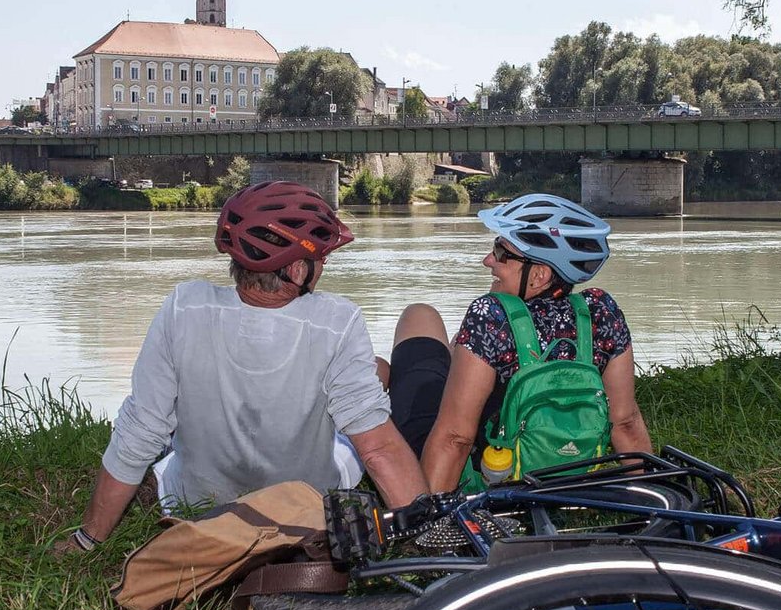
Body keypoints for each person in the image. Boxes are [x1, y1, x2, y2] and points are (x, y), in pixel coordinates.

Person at [56, 181, 427, 554]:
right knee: (375, 381)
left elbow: (139, 432)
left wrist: (87, 539)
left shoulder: (184, 307)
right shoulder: (337, 321)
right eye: (322, 258)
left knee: (162, 421)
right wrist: (431, 540)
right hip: (306, 506)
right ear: (297, 271)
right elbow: (377, 449)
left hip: (199, 504)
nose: (324, 265)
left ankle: (158, 488)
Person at [385, 193, 652, 492]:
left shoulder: (491, 316)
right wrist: (653, 492)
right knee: (450, 343)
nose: (488, 260)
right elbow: (625, 422)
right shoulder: (602, 312)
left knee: (420, 316)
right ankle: (452, 354)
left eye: (501, 252)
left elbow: (455, 439)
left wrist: (432, 519)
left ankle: (410, 366)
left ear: (538, 275)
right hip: (566, 480)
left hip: (488, 474)